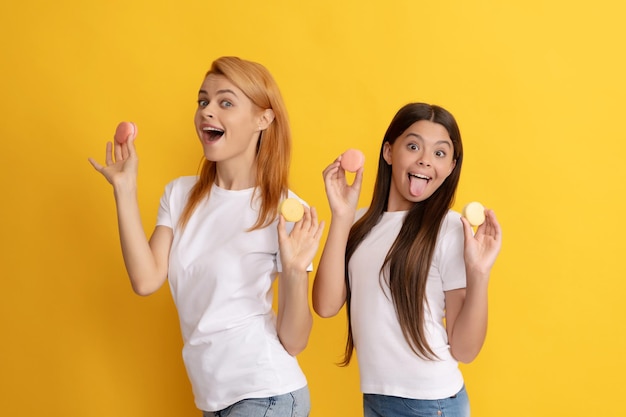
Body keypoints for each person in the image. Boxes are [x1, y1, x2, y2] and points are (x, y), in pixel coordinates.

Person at [89, 56, 324, 416]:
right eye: (203, 101)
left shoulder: (286, 211)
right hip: (213, 401)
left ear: (264, 118)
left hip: (267, 394)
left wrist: (294, 272)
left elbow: (294, 341)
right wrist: (124, 189)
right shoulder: (180, 195)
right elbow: (146, 278)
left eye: (225, 102)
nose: (206, 112)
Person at [313, 102, 502, 417]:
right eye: (413, 146)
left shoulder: (450, 229)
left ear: (452, 166)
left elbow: (465, 351)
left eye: (440, 153)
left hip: (432, 403)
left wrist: (479, 273)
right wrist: (341, 216)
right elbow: (326, 305)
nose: (425, 161)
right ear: (389, 152)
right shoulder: (358, 224)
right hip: (376, 398)